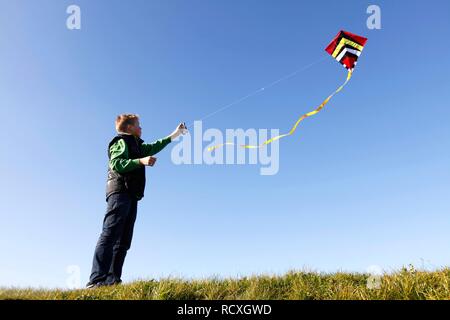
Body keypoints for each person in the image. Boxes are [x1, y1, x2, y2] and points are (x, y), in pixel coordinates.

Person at [86, 114, 186, 288]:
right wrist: (141, 161)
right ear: (130, 128)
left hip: (131, 194)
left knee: (124, 240)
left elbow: (155, 145)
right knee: (110, 234)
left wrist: (175, 135)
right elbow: (117, 163)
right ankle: (96, 280)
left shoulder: (137, 145)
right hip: (119, 192)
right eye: (139, 125)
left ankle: (112, 280)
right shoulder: (121, 142)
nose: (141, 128)